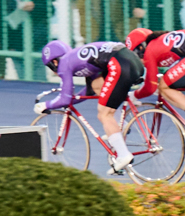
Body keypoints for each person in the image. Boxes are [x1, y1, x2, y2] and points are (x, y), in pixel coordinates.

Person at [38, 39, 143, 173]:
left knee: (103, 114)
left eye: (50, 67)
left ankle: (123, 155)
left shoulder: (64, 63)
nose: (53, 72)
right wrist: (70, 100)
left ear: (54, 62)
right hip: (129, 60)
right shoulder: (77, 58)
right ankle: (120, 127)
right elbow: (91, 89)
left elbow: (65, 99)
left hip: (119, 63)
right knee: (98, 86)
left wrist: (46, 105)